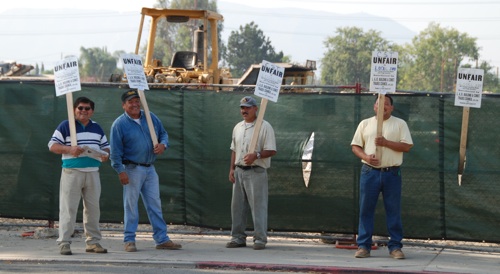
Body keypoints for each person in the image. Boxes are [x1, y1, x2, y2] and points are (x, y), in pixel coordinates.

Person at [109, 89, 181, 252]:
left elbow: (163, 134)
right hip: (131, 168)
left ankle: (161, 239)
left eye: (136, 100)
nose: (135, 104)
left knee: (155, 204)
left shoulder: (150, 116)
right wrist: (120, 171)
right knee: (131, 206)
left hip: (150, 169)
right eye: (130, 102)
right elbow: (115, 153)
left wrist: (163, 144)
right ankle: (129, 240)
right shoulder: (119, 125)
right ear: (123, 105)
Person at [350, 94, 413, 259]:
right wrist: (365, 157)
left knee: (393, 210)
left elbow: (407, 146)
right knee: (366, 210)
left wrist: (386, 143)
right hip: (369, 172)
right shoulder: (365, 124)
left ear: (391, 107)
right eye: (379, 103)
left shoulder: (400, 124)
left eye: (386, 103)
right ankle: (363, 246)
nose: (382, 106)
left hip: (392, 173)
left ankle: (395, 247)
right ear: (374, 107)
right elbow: (355, 146)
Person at [48, 96, 110, 255]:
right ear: (74, 110)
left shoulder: (97, 128)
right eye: (80, 108)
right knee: (68, 209)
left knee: (93, 209)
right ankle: (64, 242)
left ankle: (93, 243)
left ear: (92, 111)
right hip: (71, 173)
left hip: (93, 173)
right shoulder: (65, 125)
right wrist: (69, 150)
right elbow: (52, 146)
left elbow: (106, 148)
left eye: (87, 108)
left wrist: (105, 155)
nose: (83, 111)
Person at [226, 96, 277, 250]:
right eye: (242, 107)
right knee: (237, 207)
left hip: (256, 171)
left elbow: (272, 150)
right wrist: (232, 168)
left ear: (256, 108)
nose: (244, 110)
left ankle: (260, 239)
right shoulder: (238, 127)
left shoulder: (264, 126)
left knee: (258, 206)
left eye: (248, 107)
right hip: (240, 170)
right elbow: (234, 149)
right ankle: (238, 237)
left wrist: (257, 155)